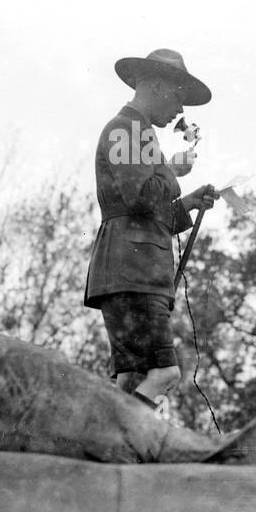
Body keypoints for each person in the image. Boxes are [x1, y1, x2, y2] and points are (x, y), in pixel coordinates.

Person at [84, 48, 219, 408]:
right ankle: (124, 443)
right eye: (178, 95)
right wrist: (171, 171)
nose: (180, 110)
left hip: (130, 271)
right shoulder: (126, 129)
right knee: (164, 373)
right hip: (135, 273)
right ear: (157, 86)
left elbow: (145, 213)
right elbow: (141, 197)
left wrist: (188, 203)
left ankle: (115, 455)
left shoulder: (136, 132)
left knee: (133, 377)